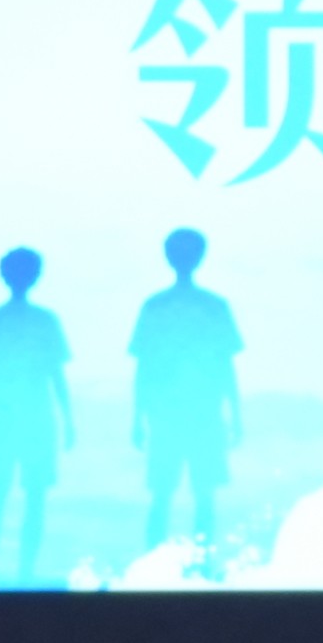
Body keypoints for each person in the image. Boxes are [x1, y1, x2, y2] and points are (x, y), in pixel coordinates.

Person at [130, 225, 244, 552]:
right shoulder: (213, 306)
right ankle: (200, 564)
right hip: (201, 414)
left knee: (163, 496)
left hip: (169, 415)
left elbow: (143, 368)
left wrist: (137, 417)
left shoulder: (156, 306)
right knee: (202, 497)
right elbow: (226, 367)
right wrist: (236, 415)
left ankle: (156, 561)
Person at [0, 247, 72, 580]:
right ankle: (23, 570)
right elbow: (56, 375)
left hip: (6, 419)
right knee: (32, 499)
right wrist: (68, 419)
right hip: (34, 419)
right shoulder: (45, 320)